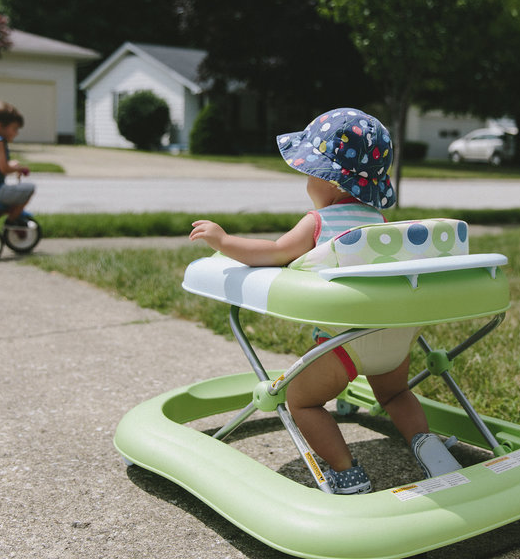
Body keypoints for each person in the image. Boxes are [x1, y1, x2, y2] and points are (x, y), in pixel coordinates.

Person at [190, 108, 462, 494]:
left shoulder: (319, 222)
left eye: (309, 173)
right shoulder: (380, 224)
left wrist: (223, 241)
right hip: (395, 336)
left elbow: (273, 252)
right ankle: (428, 447)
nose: (305, 182)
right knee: (396, 394)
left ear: (330, 181)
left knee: (301, 401)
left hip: (344, 342)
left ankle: (346, 471)